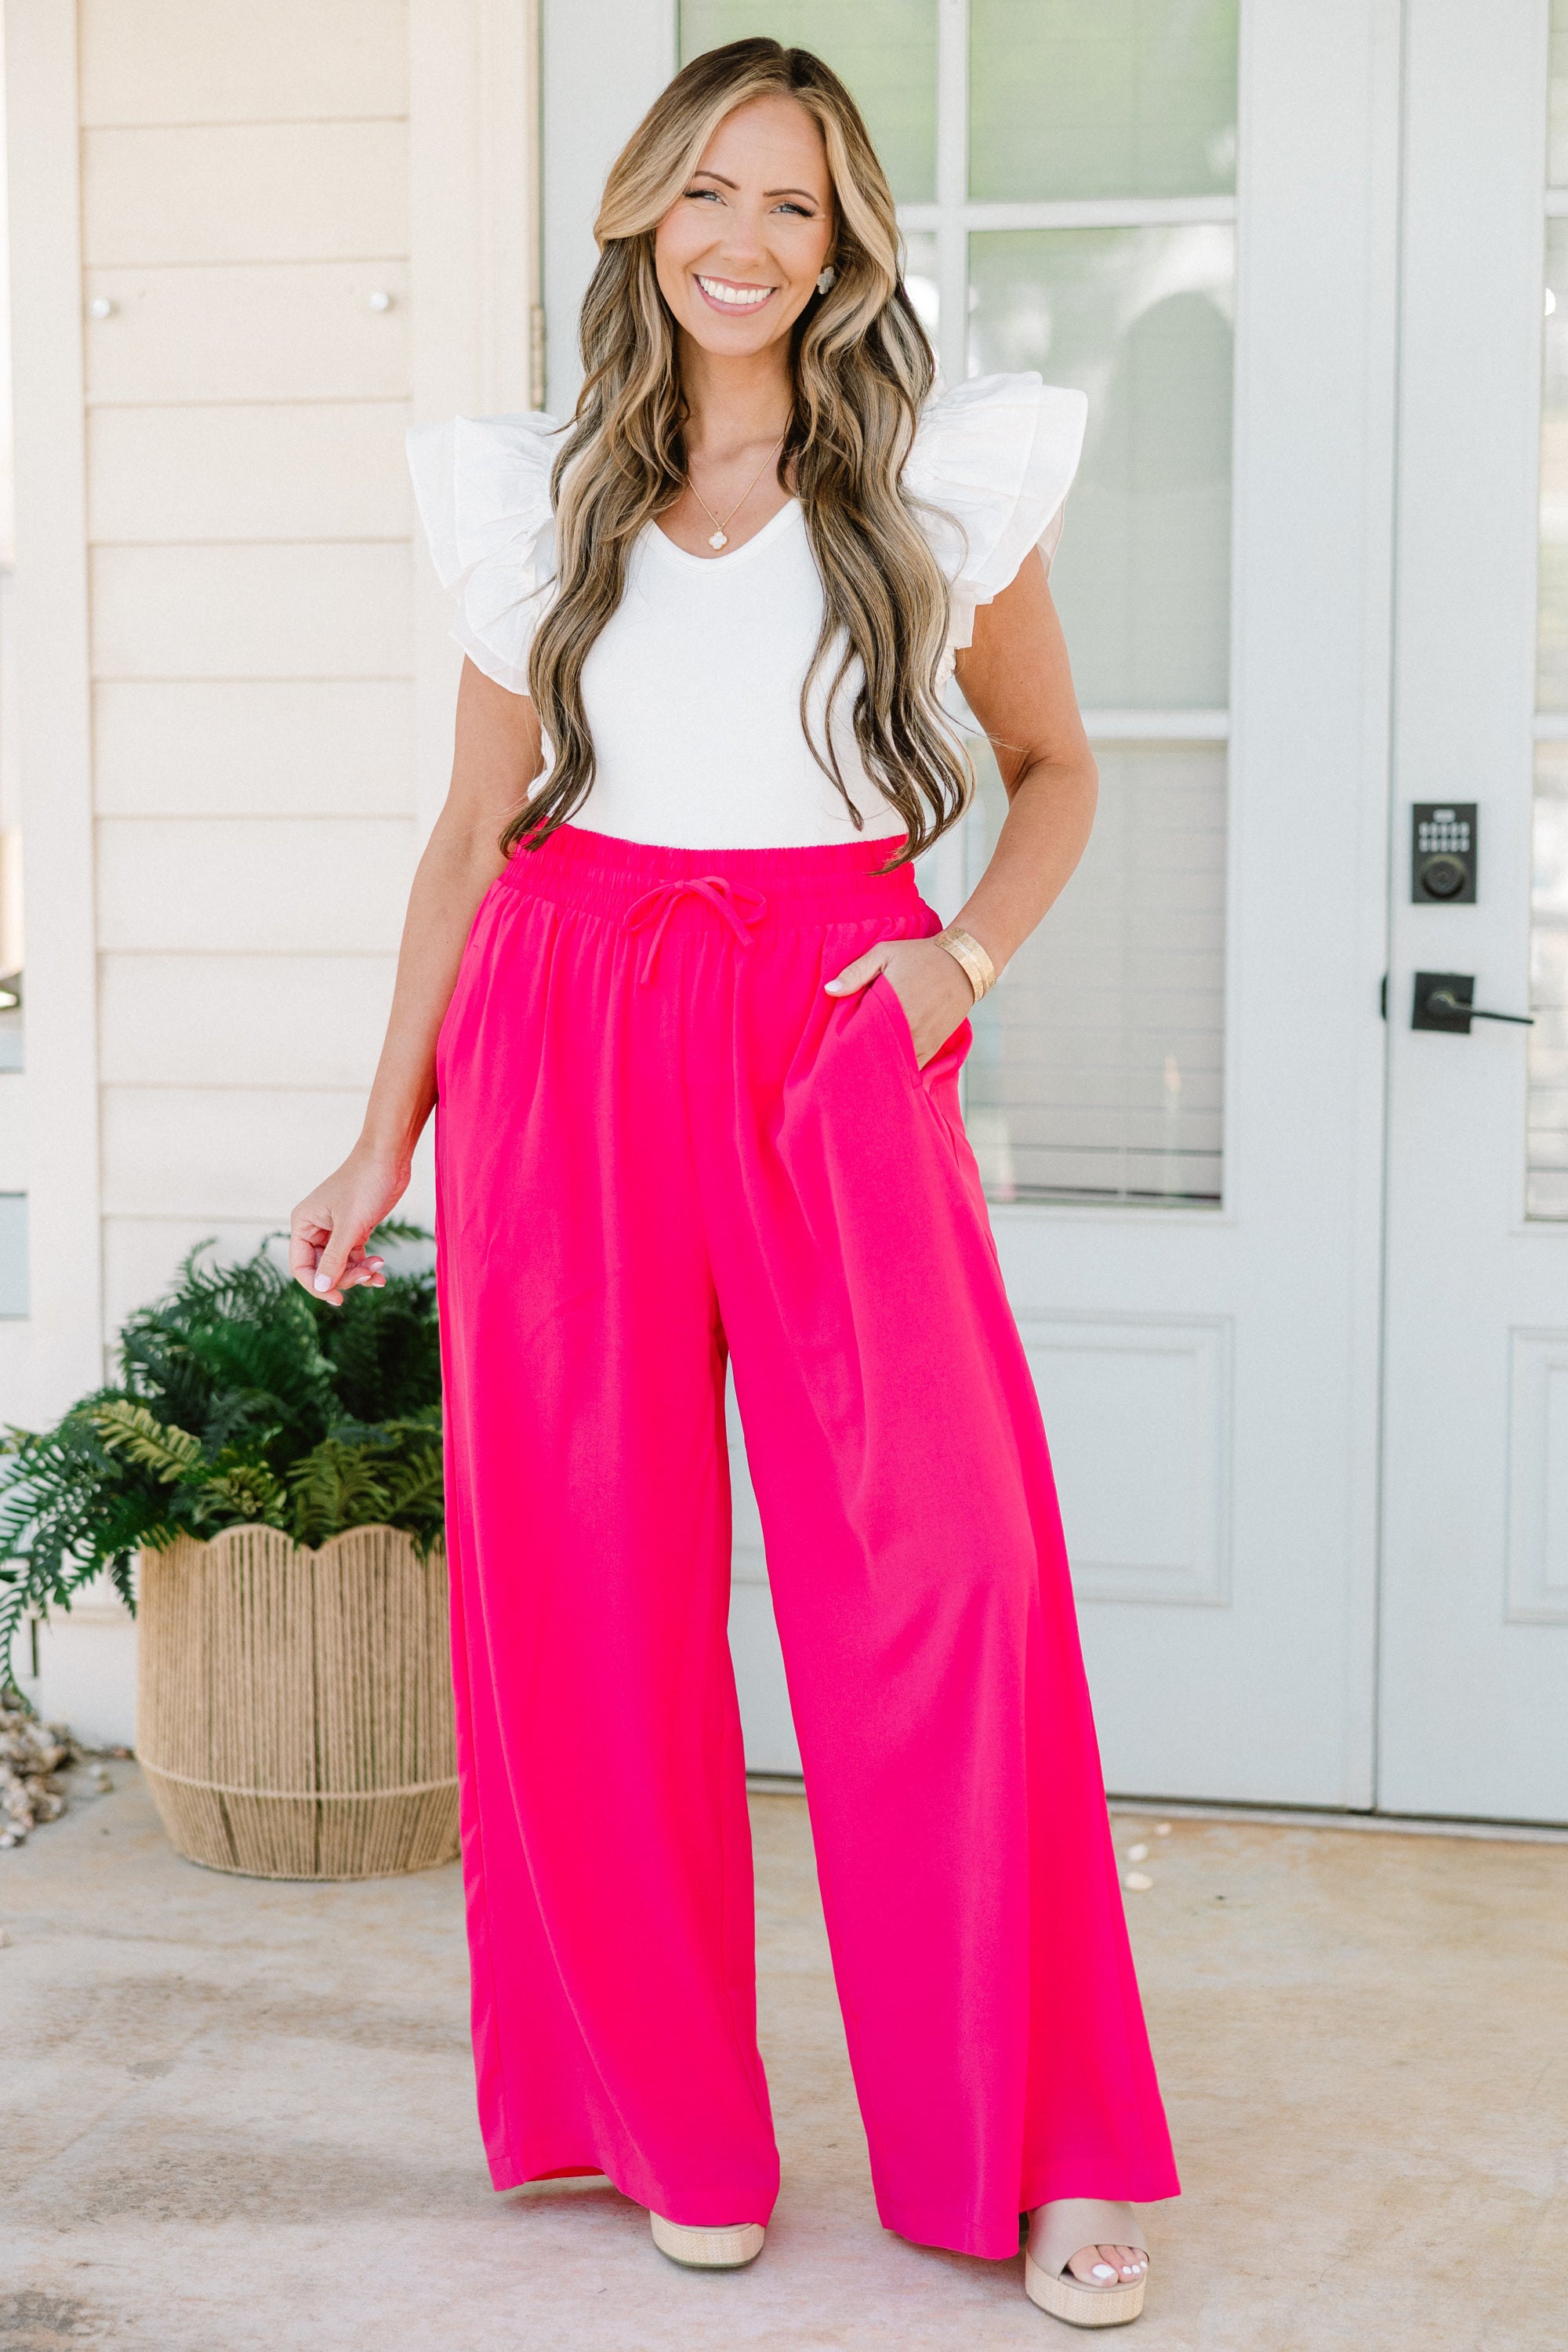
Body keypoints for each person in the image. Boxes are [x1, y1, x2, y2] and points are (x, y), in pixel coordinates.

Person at [289, 37, 1178, 2327]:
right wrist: (386, 1129)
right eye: (707, 191)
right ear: (639, 215)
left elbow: (1061, 770)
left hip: (833, 1022)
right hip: (564, 1025)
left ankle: (1043, 2148)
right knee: (585, 1597)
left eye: (791, 202)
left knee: (953, 1578)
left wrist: (958, 965)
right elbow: (472, 835)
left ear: (844, 238)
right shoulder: (540, 494)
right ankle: (660, 2122)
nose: (744, 241)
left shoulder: (934, 482)